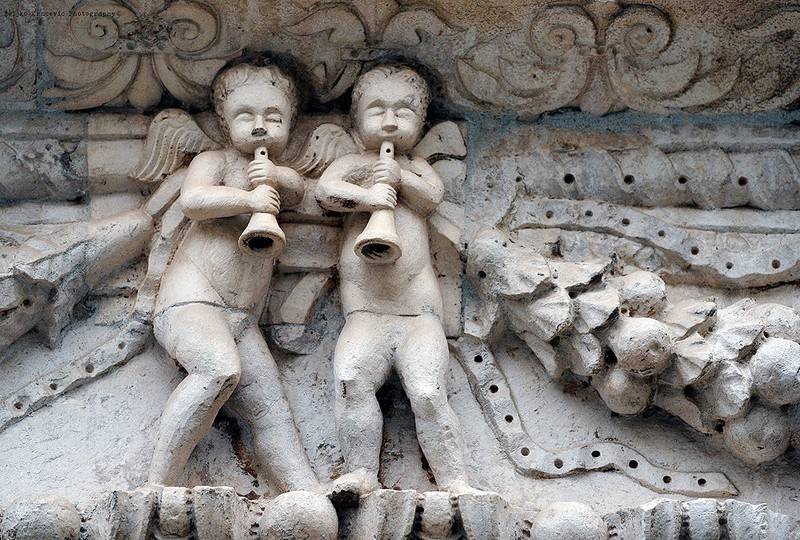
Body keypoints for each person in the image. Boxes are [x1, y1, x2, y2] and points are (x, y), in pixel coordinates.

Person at [148, 63, 319, 492]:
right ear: (224, 123)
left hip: (241, 317)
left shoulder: (276, 177)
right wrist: (249, 199)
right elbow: (194, 199)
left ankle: (306, 493)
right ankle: (156, 487)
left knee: (270, 409)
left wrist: (275, 178)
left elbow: (298, 189)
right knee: (218, 369)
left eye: (274, 118)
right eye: (246, 116)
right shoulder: (215, 161)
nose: (260, 127)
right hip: (192, 301)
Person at [316, 65, 478, 496]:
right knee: (351, 380)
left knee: (427, 393)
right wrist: (369, 195)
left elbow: (431, 197)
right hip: (365, 313)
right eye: (377, 111)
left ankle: (455, 481)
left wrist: (399, 178)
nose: (389, 121)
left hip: (417, 315)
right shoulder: (353, 164)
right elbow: (326, 192)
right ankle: (361, 472)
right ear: (356, 123)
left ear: (421, 123)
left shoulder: (415, 167)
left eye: (403, 112)